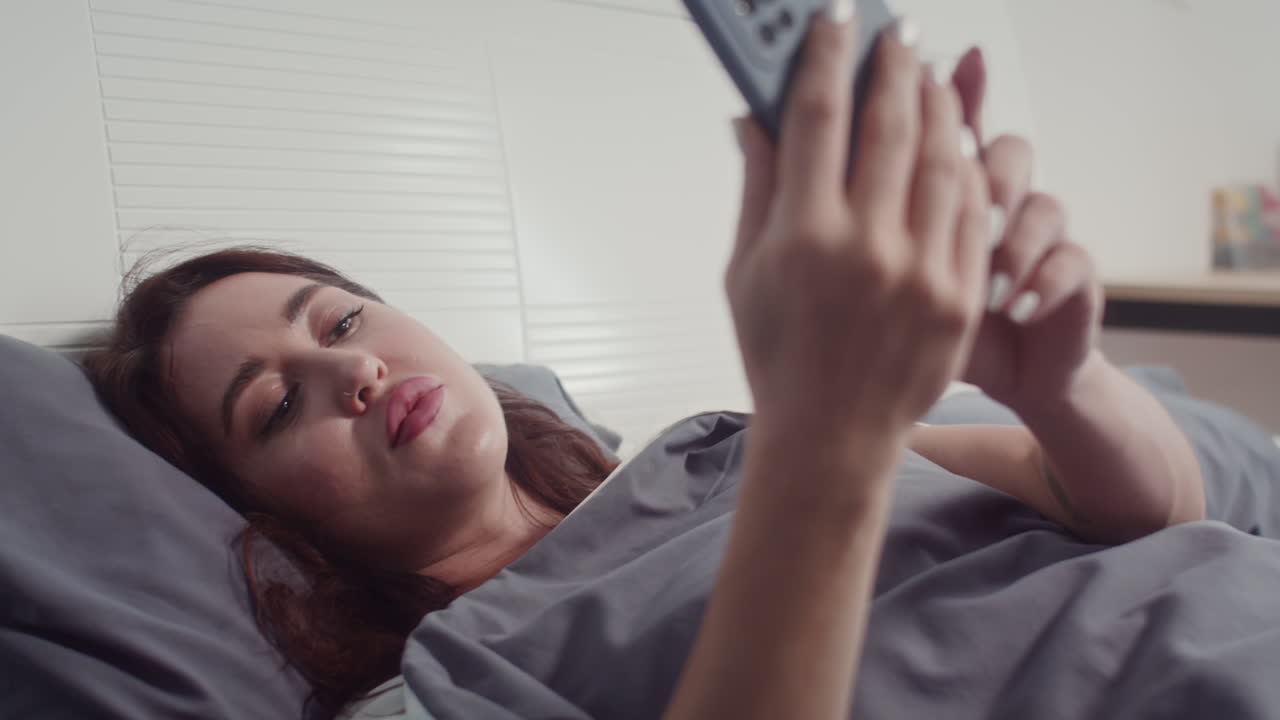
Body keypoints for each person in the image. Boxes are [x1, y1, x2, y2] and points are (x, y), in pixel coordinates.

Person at [81, 10, 1206, 720]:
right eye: (278, 407)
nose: (353, 373)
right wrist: (829, 437)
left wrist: (1054, 381)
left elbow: (1143, 508)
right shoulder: (443, 687)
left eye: (339, 324)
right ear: (270, 524)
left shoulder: (709, 449)